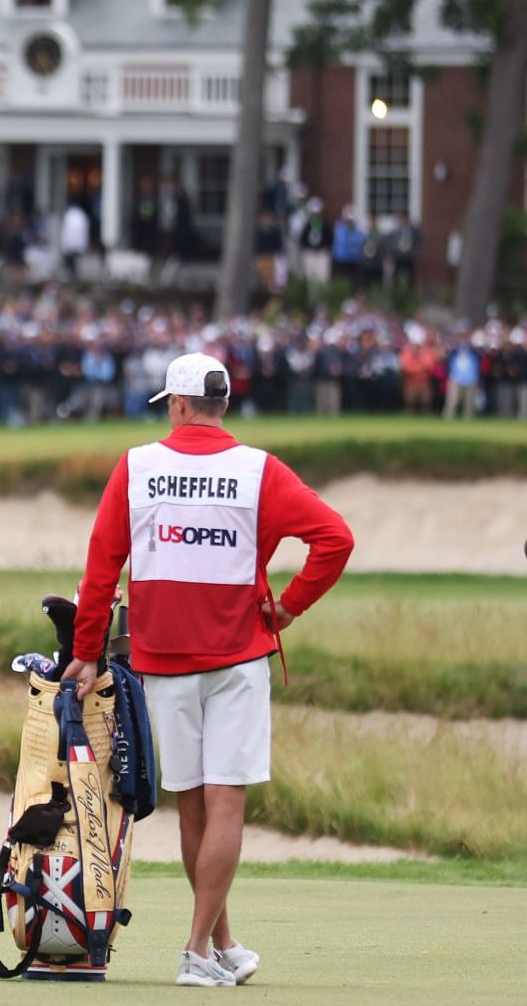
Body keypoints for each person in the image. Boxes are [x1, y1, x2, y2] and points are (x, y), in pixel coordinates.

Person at [66, 352, 353, 988]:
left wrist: (87, 649)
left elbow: (100, 568)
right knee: (227, 803)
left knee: (195, 808)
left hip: (162, 660)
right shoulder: (259, 471)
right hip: (237, 657)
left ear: (176, 404)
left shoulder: (137, 466)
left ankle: (219, 945)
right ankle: (200, 948)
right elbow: (336, 539)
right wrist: (288, 608)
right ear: (223, 406)